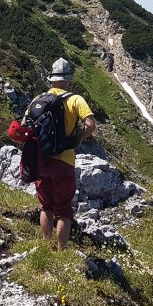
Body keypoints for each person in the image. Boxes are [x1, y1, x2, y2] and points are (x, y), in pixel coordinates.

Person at [33, 57, 96, 250]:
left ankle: (46, 246)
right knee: (63, 210)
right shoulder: (76, 99)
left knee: (46, 206)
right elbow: (90, 125)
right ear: (68, 79)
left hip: (42, 159)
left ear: (51, 78)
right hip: (64, 161)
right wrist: (78, 139)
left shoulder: (39, 99)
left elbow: (27, 125)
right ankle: (61, 251)